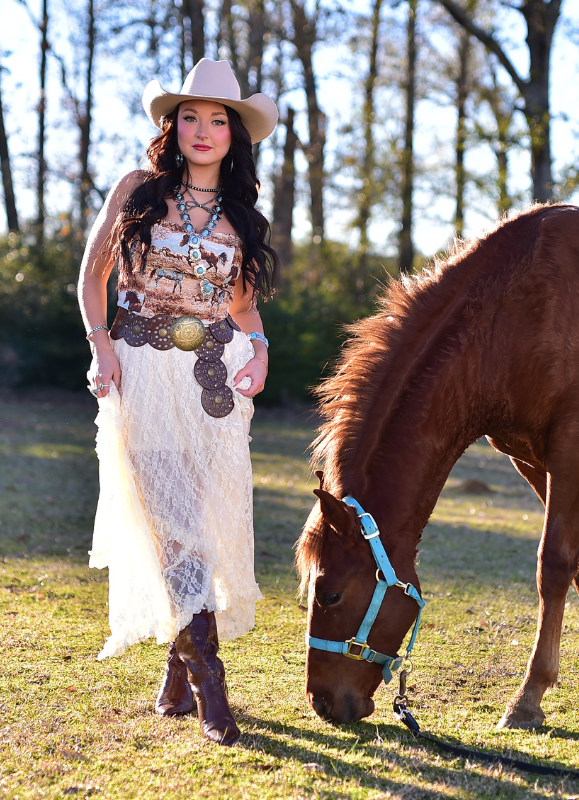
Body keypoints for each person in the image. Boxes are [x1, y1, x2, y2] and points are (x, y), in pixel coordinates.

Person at [77, 59, 279, 747]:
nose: (202, 129)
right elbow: (92, 276)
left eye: (217, 119)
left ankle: (173, 678)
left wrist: (261, 350)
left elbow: (244, 310)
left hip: (213, 380)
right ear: (172, 125)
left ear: (234, 135)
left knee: (201, 525)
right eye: (190, 115)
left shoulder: (242, 219)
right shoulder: (138, 190)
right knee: (176, 522)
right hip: (140, 370)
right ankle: (208, 681)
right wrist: (101, 345)